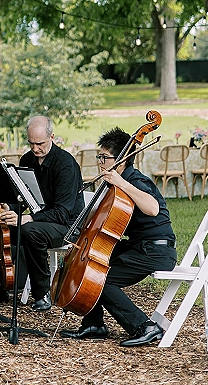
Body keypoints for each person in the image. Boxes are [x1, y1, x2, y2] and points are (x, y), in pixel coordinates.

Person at [60, 127, 177, 347]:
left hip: (156, 250)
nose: (100, 162)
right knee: (91, 269)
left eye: (104, 158)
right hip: (137, 245)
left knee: (101, 280)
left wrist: (121, 183)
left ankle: (144, 326)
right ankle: (93, 325)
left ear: (122, 159)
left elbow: (152, 208)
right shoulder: (116, 184)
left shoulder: (136, 181)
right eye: (99, 157)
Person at [0, 115, 85, 311]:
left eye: (40, 144)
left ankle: (42, 293)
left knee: (31, 231)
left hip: (67, 227)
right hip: (37, 221)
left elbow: (62, 212)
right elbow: (22, 197)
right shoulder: (27, 159)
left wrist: (27, 218)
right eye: (31, 143)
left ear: (52, 137)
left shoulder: (66, 165)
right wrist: (7, 208)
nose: (35, 148)